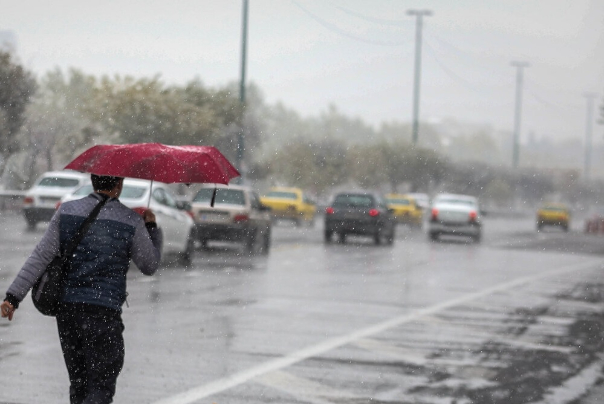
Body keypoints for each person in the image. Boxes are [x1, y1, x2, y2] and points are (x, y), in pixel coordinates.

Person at [1, 174, 163, 404]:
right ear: (119, 185)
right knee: (101, 386)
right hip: (104, 314)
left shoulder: (66, 212)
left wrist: (13, 297)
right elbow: (149, 264)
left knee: (79, 384)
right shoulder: (131, 220)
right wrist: (152, 227)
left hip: (69, 313)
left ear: (93, 181)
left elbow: (40, 256)